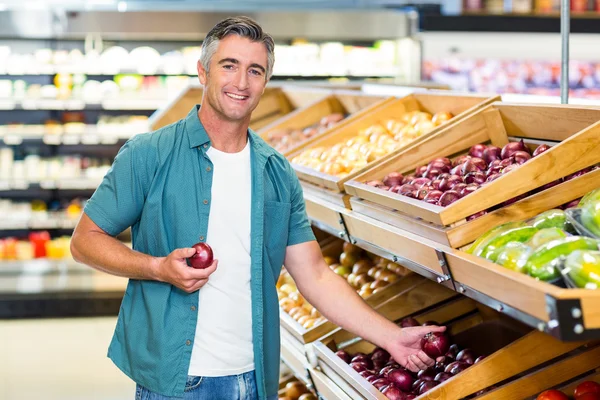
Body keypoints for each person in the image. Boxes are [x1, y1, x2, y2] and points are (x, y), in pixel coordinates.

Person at [70, 16, 445, 400]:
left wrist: (391, 336)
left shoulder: (276, 171)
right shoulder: (149, 154)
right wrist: (157, 268)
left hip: (254, 379)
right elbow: (85, 241)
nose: (241, 82)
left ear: (265, 82)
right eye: (228, 66)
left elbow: (314, 274)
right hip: (176, 381)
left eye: (255, 70)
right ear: (203, 72)